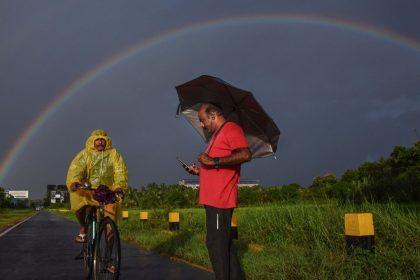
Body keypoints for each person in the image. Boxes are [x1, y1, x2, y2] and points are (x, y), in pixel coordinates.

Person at [184, 103, 251, 280]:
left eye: (203, 120)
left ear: (213, 115)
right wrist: (199, 170)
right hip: (213, 200)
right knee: (224, 245)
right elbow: (216, 168)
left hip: (220, 200)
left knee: (216, 245)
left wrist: (212, 162)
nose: (202, 125)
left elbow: (245, 154)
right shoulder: (215, 137)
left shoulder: (231, 128)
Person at [66, 129, 128, 243]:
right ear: (92, 141)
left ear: (107, 141)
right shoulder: (85, 154)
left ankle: (109, 256)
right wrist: (74, 181)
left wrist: (120, 186)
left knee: (111, 222)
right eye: (97, 140)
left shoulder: (114, 154)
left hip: (108, 191)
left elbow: (120, 171)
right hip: (88, 190)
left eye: (102, 140)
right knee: (79, 205)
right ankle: (83, 226)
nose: (100, 142)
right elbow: (76, 169)